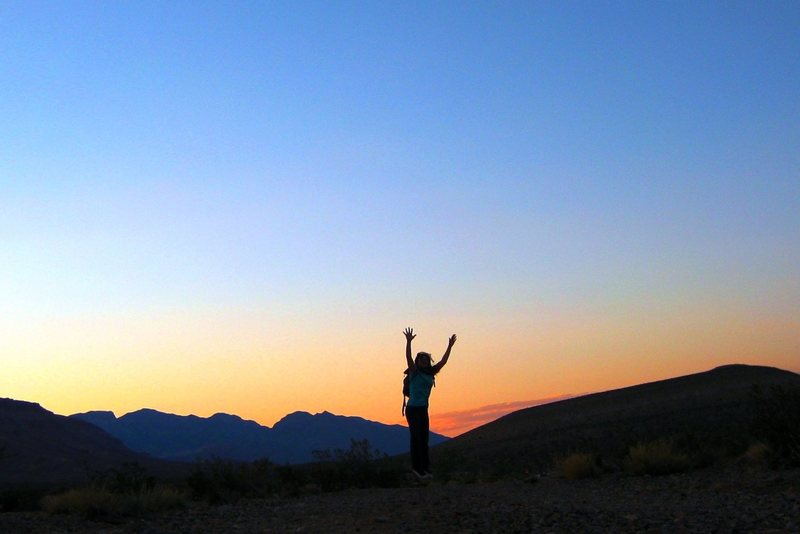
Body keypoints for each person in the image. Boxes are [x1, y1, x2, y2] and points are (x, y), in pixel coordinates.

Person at [403, 327, 456, 480]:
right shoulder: (414, 372)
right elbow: (408, 358)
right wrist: (408, 342)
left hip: (423, 409)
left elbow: (443, 361)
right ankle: (417, 469)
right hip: (412, 409)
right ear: (418, 362)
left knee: (424, 438)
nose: (424, 362)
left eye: (426, 360)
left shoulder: (431, 373)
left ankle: (425, 469)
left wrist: (449, 346)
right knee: (416, 437)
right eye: (421, 360)